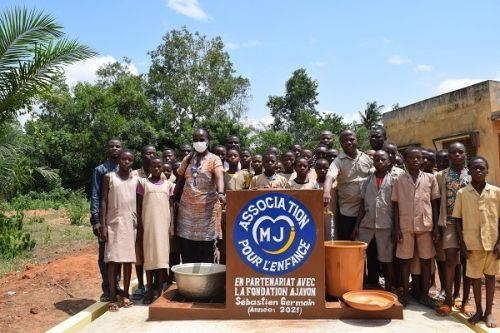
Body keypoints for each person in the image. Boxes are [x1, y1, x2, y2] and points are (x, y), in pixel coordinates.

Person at [454, 156, 499, 328]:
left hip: (492, 243)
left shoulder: (496, 192)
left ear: (487, 171)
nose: (478, 171)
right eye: (474, 168)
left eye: (482, 168)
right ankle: (478, 310)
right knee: (474, 277)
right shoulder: (462, 193)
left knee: (490, 277)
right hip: (471, 244)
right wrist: (462, 243)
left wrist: (499, 242)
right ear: (469, 170)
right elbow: (457, 219)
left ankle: (488, 312)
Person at [392, 147, 440, 306]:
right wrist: (396, 228)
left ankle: (425, 295)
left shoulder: (430, 178)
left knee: (426, 261)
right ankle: (405, 294)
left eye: (418, 158)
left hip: (426, 225)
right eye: (411, 158)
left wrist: (436, 227)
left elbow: (434, 203)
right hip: (405, 226)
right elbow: (395, 205)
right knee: (405, 261)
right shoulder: (399, 179)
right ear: (405, 161)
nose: (415, 160)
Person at [176, 128, 225, 264]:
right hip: (187, 215)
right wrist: (172, 199)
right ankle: (190, 284)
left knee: (206, 254)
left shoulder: (214, 159)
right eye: (196, 140)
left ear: (208, 141)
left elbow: (220, 177)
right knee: (188, 252)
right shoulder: (187, 159)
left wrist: (221, 193)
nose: (199, 142)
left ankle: (206, 284)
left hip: (207, 214)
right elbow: (180, 181)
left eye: (202, 139)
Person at [99, 149, 138, 311]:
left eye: (129, 159)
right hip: (114, 224)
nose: (126, 162)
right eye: (123, 159)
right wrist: (102, 224)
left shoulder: (136, 180)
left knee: (128, 261)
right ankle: (113, 297)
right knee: (113, 261)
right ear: (119, 160)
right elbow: (103, 201)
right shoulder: (109, 177)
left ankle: (126, 294)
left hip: (130, 224)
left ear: (132, 162)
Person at [436, 142, 472, 316]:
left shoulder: (472, 174)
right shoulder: (441, 175)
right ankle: (448, 300)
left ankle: (465, 301)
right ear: (448, 155)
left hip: (470, 225)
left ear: (465, 154)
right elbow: (436, 201)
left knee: (467, 263)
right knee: (450, 261)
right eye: (453, 152)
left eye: (460, 152)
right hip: (449, 223)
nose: (457, 155)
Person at [353, 150, 395, 292]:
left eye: (383, 160)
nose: (380, 162)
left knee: (386, 258)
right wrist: (357, 225)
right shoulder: (368, 180)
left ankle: (389, 288)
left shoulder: (393, 180)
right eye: (376, 160)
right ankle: (358, 284)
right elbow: (362, 204)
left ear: (389, 161)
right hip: (367, 224)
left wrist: (396, 227)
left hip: (386, 225)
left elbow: (396, 206)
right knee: (358, 255)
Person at [137, 157, 175, 304]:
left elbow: (171, 206)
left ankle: (159, 290)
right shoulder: (143, 183)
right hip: (148, 225)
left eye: (159, 166)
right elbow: (139, 206)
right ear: (149, 167)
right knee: (149, 258)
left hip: (163, 225)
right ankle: (149, 291)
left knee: (161, 258)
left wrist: (171, 226)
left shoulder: (168, 185)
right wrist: (140, 226)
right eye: (154, 166)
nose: (157, 168)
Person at [323, 130, 373, 240]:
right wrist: (326, 192)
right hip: (347, 210)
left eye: (351, 139)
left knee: (365, 243)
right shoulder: (338, 161)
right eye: (345, 141)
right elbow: (330, 176)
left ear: (357, 141)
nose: (349, 142)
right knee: (347, 241)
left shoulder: (366, 158)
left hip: (366, 209)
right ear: (341, 144)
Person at [90, 138, 122, 302]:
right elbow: (95, 195)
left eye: (117, 146)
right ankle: (107, 288)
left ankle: (116, 285)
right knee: (105, 255)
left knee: (119, 254)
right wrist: (96, 221)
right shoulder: (100, 170)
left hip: (121, 219)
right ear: (107, 149)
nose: (115, 148)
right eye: (112, 146)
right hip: (105, 219)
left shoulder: (125, 169)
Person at [130, 145, 157, 300]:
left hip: (153, 220)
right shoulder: (134, 175)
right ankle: (140, 285)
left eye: (153, 153)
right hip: (138, 220)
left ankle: (151, 285)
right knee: (139, 255)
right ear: (142, 156)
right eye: (148, 153)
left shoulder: (159, 174)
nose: (150, 156)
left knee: (152, 254)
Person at [316, 158, 337, 241]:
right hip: (317, 217)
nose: (322, 170)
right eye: (319, 168)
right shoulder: (312, 184)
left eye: (325, 168)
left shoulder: (335, 184)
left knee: (332, 238)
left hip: (332, 217)